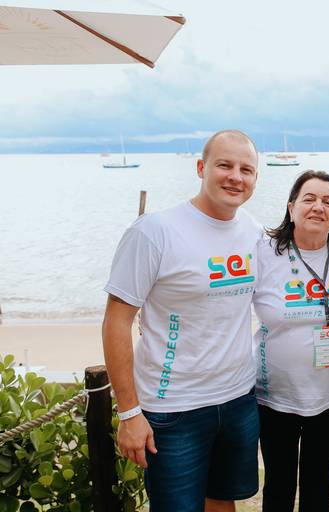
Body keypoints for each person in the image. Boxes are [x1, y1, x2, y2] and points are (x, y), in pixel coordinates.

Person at [102, 130, 262, 512]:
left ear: (256, 178)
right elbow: (116, 322)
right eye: (224, 165)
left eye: (246, 169)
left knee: (222, 501)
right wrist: (129, 412)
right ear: (201, 167)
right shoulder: (154, 232)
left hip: (238, 398)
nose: (235, 177)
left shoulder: (253, 232)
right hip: (173, 407)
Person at [252, 170, 329, 511]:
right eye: (309, 199)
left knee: (319, 482)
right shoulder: (263, 252)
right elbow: (226, 301)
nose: (319, 207)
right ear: (291, 208)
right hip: (274, 394)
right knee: (279, 484)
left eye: (328, 201)